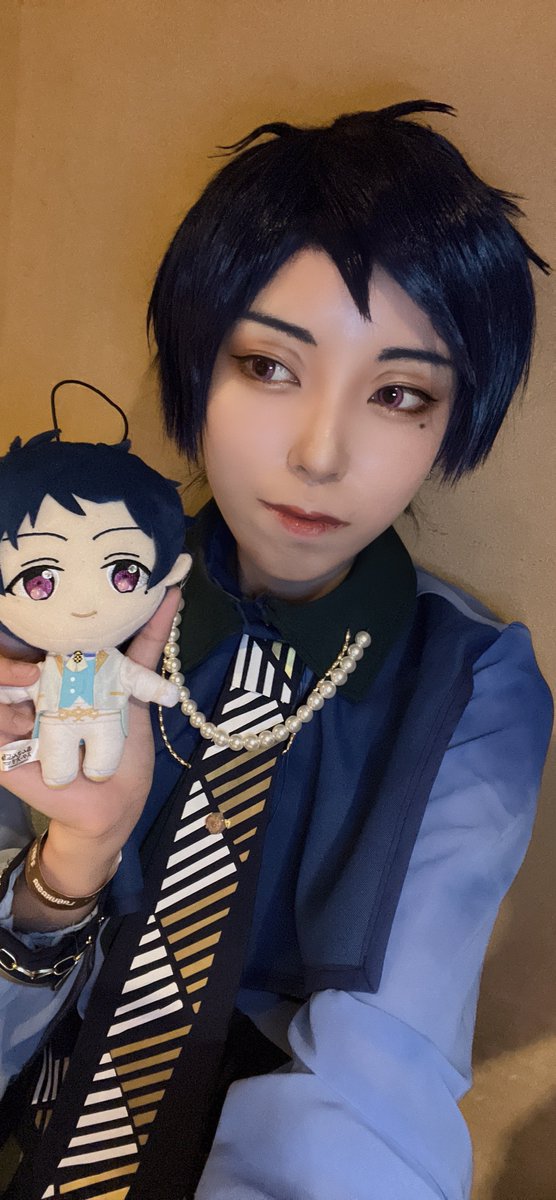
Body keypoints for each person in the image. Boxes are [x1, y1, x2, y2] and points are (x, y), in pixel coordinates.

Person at [0, 99, 552, 1200]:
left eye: (399, 393)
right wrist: (71, 867)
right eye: (267, 366)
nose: (320, 454)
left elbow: (377, 1086)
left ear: (451, 422)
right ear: (196, 368)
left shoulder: (473, 690)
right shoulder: (57, 603)